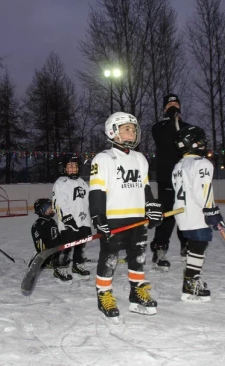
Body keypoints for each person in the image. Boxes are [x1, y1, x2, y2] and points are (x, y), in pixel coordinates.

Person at [89, 111, 163, 322]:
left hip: (137, 218)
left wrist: (151, 208)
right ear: (113, 132)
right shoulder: (104, 158)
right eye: (127, 129)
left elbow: (145, 188)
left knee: (138, 256)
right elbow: (97, 190)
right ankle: (103, 294)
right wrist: (97, 216)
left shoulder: (140, 159)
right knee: (109, 257)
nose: (132, 133)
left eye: (133, 129)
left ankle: (136, 292)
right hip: (114, 219)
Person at [172, 126, 225, 302]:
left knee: (195, 245)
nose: (203, 144)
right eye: (200, 140)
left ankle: (191, 280)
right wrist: (212, 211)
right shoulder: (202, 163)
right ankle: (190, 284)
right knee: (199, 245)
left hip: (182, 214)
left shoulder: (178, 165)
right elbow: (203, 190)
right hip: (197, 212)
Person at [150, 93, 191, 270]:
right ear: (165, 108)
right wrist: (170, 120)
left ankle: (186, 245)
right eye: (169, 104)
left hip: (185, 179)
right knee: (167, 216)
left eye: (175, 103)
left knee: (186, 214)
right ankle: (159, 249)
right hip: (167, 178)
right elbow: (164, 140)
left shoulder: (187, 128)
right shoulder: (159, 127)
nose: (173, 106)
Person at [53, 155, 91, 280]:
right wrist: (67, 218)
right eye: (69, 166)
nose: (72, 168)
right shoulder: (61, 182)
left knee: (81, 245)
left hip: (83, 220)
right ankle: (60, 268)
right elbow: (58, 202)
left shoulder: (82, 182)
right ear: (64, 168)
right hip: (68, 222)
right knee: (67, 246)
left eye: (75, 166)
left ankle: (78, 265)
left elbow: (88, 200)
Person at [31, 198, 73, 283]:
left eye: (51, 207)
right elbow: (39, 242)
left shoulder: (51, 221)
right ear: (41, 210)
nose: (51, 209)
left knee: (69, 241)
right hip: (49, 253)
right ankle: (58, 269)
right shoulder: (39, 224)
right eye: (48, 208)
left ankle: (62, 260)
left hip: (56, 250)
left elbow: (56, 236)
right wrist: (44, 256)